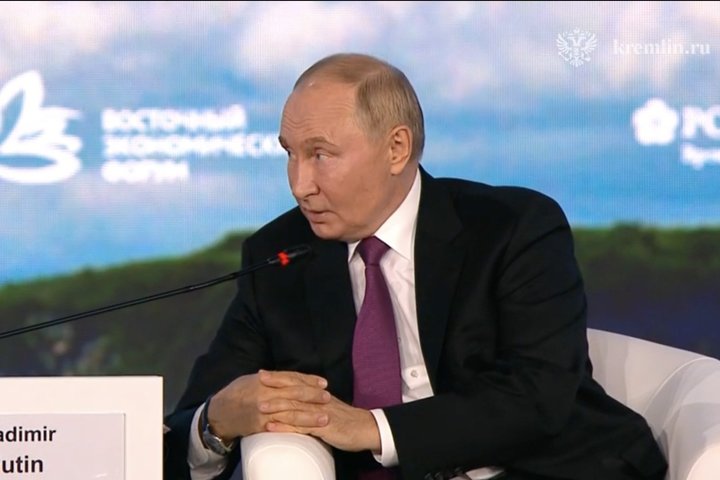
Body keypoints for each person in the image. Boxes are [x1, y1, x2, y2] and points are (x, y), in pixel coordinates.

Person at [164, 52, 667, 480]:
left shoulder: (513, 228)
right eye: (290, 155)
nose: (300, 185)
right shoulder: (279, 255)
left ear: (396, 148)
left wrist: (370, 427)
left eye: (321, 155)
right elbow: (178, 434)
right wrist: (215, 421)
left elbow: (537, 395)